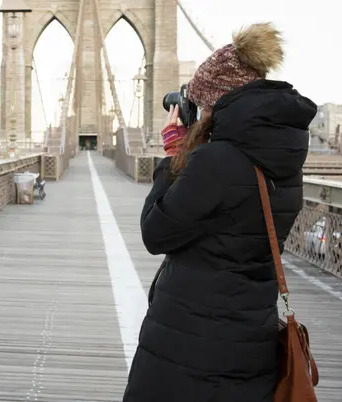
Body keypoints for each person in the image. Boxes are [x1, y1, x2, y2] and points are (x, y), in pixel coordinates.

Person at [123, 22, 317, 402]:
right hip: (251, 335)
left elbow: (155, 232)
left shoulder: (215, 162)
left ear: (217, 102)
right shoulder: (286, 162)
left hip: (190, 342)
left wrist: (176, 155)